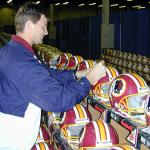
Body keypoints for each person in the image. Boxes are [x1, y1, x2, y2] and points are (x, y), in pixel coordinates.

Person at [0, 2, 106, 150]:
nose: (46, 32)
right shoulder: (22, 62)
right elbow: (58, 100)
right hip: (14, 141)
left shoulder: (13, 51)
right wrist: (88, 80)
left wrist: (78, 74)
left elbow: (46, 74)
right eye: (44, 26)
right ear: (30, 25)